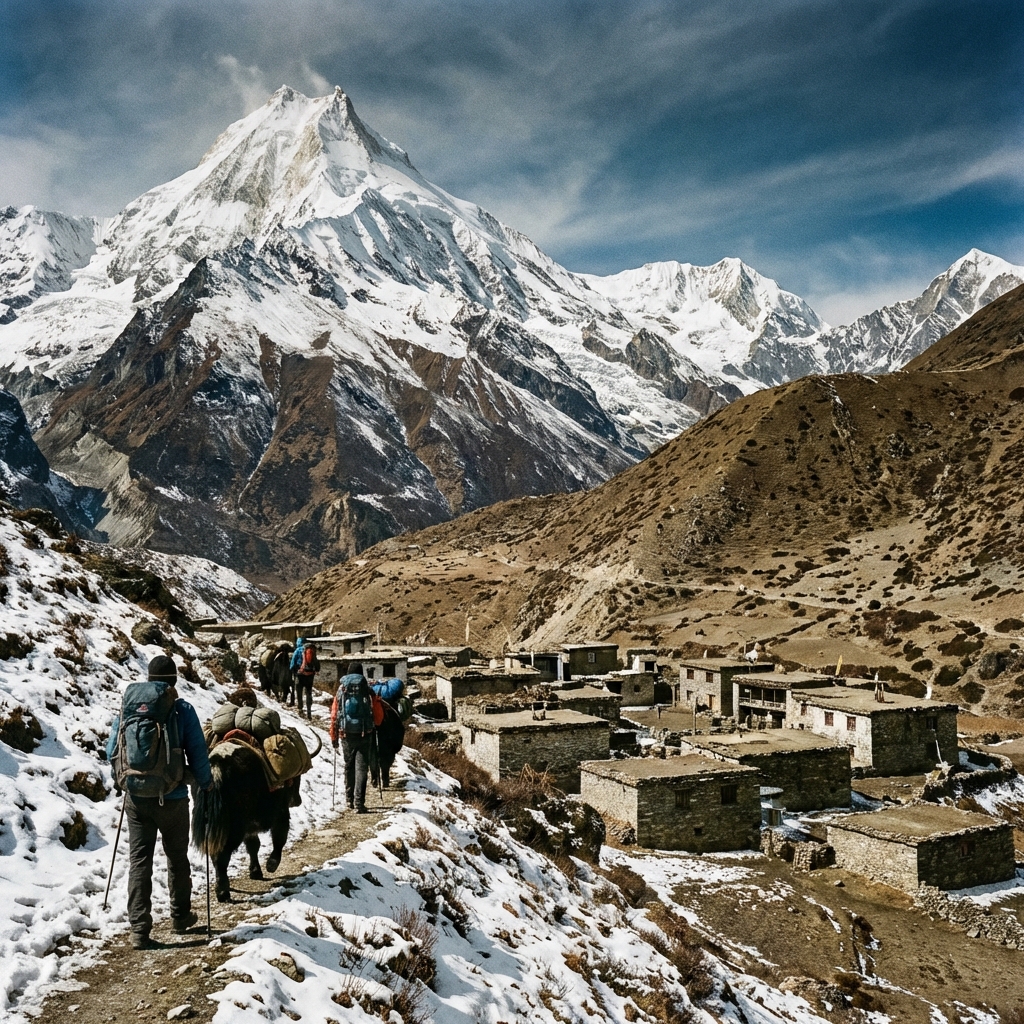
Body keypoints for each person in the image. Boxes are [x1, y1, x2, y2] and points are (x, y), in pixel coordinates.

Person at [106, 655, 212, 949]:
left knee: (139, 861)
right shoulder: (181, 710)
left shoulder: (128, 708)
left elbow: (110, 749)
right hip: (173, 797)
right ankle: (179, 917)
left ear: (150, 679)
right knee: (177, 858)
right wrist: (205, 783)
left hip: (136, 799)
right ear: (174, 681)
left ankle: (139, 930)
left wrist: (130, 777)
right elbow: (198, 753)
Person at [328, 663, 375, 813]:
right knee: (361, 768)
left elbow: (334, 715)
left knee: (349, 766)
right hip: (364, 733)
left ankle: (349, 800)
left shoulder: (341, 690)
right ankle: (359, 803)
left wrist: (334, 736)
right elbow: (377, 714)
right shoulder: (366, 690)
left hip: (346, 733)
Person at [369, 677, 406, 790]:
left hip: (374, 726)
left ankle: (374, 776)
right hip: (389, 729)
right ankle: (385, 777)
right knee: (387, 753)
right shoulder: (393, 702)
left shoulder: (372, 695)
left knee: (373, 751)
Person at [293, 640, 320, 719]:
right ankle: (309, 712)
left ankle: (300, 709)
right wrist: (316, 670)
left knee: (299, 692)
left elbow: (293, 662)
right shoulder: (313, 651)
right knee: (308, 693)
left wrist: (294, 671)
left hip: (300, 675)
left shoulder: (298, 650)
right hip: (310, 676)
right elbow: (317, 665)